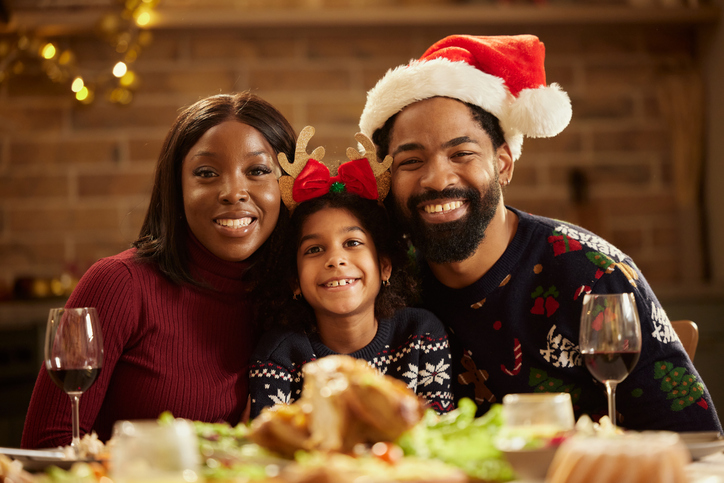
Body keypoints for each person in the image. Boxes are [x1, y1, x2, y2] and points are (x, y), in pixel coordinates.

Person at [359, 34, 722, 432]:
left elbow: (694, 441)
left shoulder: (595, 274)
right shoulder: (385, 280)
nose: (436, 178)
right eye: (411, 161)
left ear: (503, 164)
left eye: (462, 153)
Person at [22, 92, 296, 448]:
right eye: (206, 173)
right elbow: (45, 447)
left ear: (288, 185)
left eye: (258, 171)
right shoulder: (117, 283)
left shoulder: (292, 296)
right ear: (177, 188)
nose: (233, 192)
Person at [248, 129, 453, 419]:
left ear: (384, 265)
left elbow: (437, 437)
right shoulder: (280, 355)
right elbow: (273, 447)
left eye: (352, 243)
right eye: (314, 249)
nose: (335, 260)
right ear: (294, 280)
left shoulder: (421, 335)